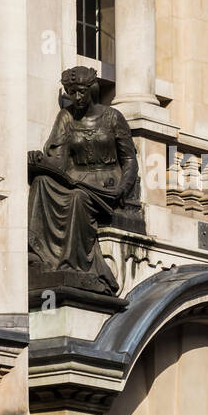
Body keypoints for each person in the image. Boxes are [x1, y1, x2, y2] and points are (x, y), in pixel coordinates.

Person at [28, 66, 139, 295]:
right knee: (40, 182)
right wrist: (39, 160)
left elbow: (129, 159)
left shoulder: (112, 117)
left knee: (78, 199)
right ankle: (38, 255)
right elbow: (57, 160)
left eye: (80, 92)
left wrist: (123, 188)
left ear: (92, 89)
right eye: (71, 92)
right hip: (76, 179)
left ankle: (71, 263)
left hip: (106, 185)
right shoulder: (65, 117)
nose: (76, 98)